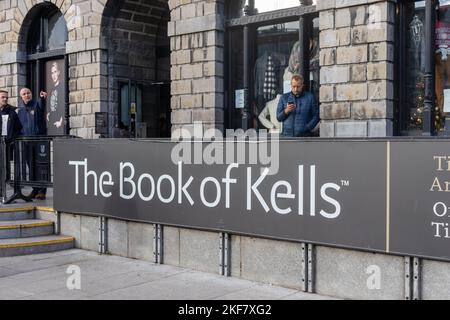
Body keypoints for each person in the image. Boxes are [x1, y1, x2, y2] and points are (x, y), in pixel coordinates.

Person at [18, 88, 48, 200]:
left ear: (31, 94)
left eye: (28, 93)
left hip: (39, 142)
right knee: (31, 167)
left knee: (41, 167)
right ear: (21, 97)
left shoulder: (37, 105)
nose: (27, 95)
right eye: (24, 94)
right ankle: (35, 190)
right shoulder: (20, 111)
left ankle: (42, 192)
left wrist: (42, 98)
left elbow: (41, 105)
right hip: (27, 143)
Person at [0, 90, 22, 182]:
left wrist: (12, 137)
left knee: (6, 162)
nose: (5, 99)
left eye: (6, 97)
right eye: (3, 97)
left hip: (7, 142)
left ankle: (6, 181)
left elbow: (19, 127)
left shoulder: (12, 112)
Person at [47, 61, 64, 134]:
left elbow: (64, 105)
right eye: (52, 73)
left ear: (59, 72)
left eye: (55, 72)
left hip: (58, 123)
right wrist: (48, 113)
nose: (53, 75)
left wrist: (61, 121)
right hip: (51, 122)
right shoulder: (52, 88)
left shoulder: (62, 87)